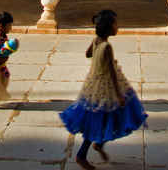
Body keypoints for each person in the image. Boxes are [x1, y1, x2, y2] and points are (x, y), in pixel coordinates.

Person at [59, 9, 147, 169]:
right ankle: (81, 155)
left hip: (93, 84)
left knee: (106, 117)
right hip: (105, 87)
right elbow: (112, 73)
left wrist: (95, 52)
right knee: (101, 118)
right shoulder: (106, 46)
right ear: (108, 28)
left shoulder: (97, 41)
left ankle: (98, 144)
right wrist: (119, 94)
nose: (117, 27)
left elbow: (87, 54)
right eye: (115, 24)